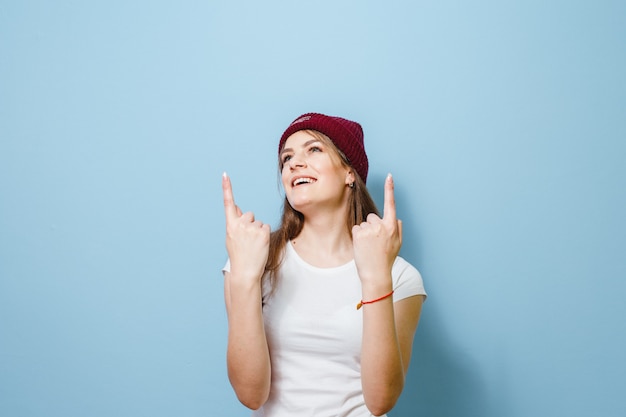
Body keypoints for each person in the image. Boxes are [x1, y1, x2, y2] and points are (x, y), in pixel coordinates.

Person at [221, 112, 426, 417]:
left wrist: (375, 277)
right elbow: (251, 394)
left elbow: (381, 400)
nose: (294, 163)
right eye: (286, 158)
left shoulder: (400, 276)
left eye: (314, 149)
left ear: (350, 173)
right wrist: (244, 277)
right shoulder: (251, 261)